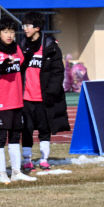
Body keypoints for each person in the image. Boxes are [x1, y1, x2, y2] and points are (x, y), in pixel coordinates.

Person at [0, 18, 37, 184]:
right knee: (0, 137)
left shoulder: (16, 50)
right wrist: (1, 67)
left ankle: (16, 171)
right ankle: (1, 172)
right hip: (2, 102)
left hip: (17, 101)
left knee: (15, 136)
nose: (9, 35)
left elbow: (22, 66)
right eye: (6, 32)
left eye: (12, 32)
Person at [19, 11, 69, 172]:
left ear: (37, 27)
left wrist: (51, 92)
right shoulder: (22, 46)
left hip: (43, 98)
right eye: (23, 25)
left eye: (28, 25)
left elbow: (58, 71)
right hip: (26, 98)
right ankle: (26, 160)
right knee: (26, 130)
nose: (24, 28)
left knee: (44, 130)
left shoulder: (50, 46)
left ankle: (44, 159)